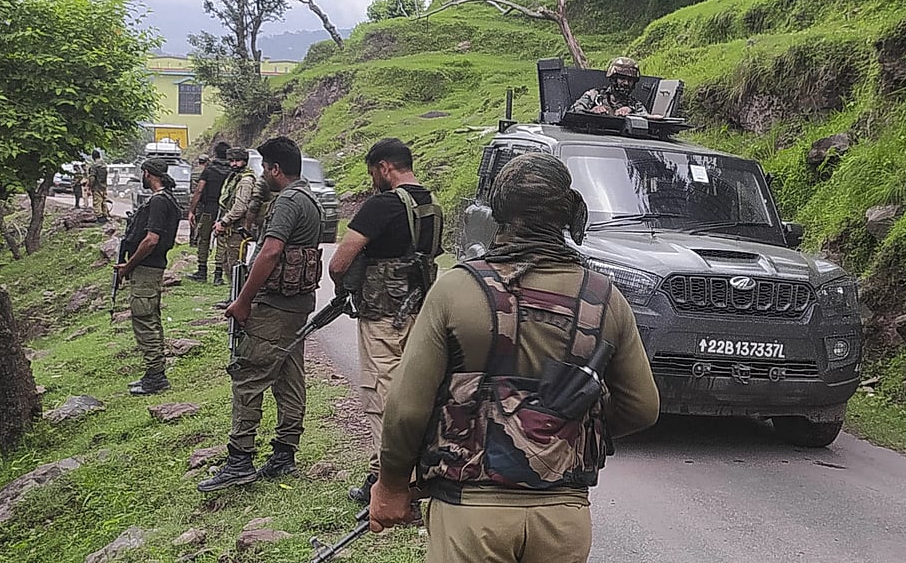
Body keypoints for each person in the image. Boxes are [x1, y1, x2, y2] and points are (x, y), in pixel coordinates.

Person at [368, 153, 660, 562]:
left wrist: (392, 484)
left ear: (497, 212)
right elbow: (642, 407)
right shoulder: (605, 299)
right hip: (563, 514)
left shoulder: (457, 290)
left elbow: (405, 409)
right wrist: (560, 425)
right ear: (571, 213)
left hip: (471, 512)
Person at [197, 137, 324, 492]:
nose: (262, 174)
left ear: (275, 169)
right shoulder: (310, 198)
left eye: (265, 168)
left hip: (274, 307)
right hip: (296, 305)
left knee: (249, 376)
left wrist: (243, 300)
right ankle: (284, 453)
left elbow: (269, 253)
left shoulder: (288, 201)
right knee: (289, 377)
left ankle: (240, 459)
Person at [327, 138, 442, 504]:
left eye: (372, 173)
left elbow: (339, 262)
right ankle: (398, 469)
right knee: (416, 393)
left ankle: (390, 481)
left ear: (384, 168)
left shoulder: (382, 205)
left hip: (382, 316)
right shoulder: (432, 205)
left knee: (381, 396)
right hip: (421, 313)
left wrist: (343, 288)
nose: (373, 180)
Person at [114, 158, 182, 395]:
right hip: (151, 267)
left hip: (147, 268)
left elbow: (151, 239)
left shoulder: (159, 201)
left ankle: (155, 377)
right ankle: (154, 373)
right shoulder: (166, 199)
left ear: (147, 173)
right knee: (150, 319)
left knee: (144, 321)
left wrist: (128, 266)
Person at [187, 142, 232, 284]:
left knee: (203, 239)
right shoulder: (232, 171)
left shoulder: (208, 170)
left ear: (215, 154)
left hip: (209, 208)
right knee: (222, 241)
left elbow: (199, 190)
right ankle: (218, 274)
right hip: (225, 210)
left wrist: (191, 210)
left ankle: (202, 270)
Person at [214, 147, 257, 290]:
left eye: (237, 161)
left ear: (245, 161)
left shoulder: (246, 180)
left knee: (236, 267)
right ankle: (233, 296)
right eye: (231, 160)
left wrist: (224, 222)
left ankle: (238, 297)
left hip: (237, 229)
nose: (234, 164)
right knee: (227, 264)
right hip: (230, 229)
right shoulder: (234, 177)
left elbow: (240, 207)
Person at [567, 56, 649, 116]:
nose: (626, 83)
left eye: (630, 80)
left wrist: (631, 112)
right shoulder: (594, 95)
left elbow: (647, 118)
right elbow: (573, 111)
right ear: (614, 79)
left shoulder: (635, 105)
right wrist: (592, 112)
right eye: (622, 78)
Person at [87, 149, 110, 222]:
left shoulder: (94, 166)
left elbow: (92, 178)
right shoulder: (104, 165)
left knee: (97, 202)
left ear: (93, 157)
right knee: (103, 202)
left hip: (96, 187)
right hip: (104, 186)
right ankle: (105, 215)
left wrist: (90, 186)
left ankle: (100, 218)